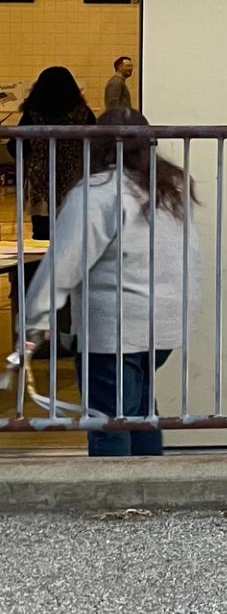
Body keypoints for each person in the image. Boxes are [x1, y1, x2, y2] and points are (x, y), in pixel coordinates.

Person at [17, 109, 200, 457]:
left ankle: (116, 502)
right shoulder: (170, 190)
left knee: (109, 422)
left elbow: (63, 266)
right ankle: (148, 493)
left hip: (115, 329)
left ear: (97, 146)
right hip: (162, 326)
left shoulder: (98, 193)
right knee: (141, 414)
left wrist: (32, 322)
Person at [17, 66, 96, 243]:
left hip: (40, 185)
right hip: (74, 184)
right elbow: (96, 146)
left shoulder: (32, 115)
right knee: (74, 238)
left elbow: (15, 147)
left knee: (42, 240)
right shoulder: (84, 114)